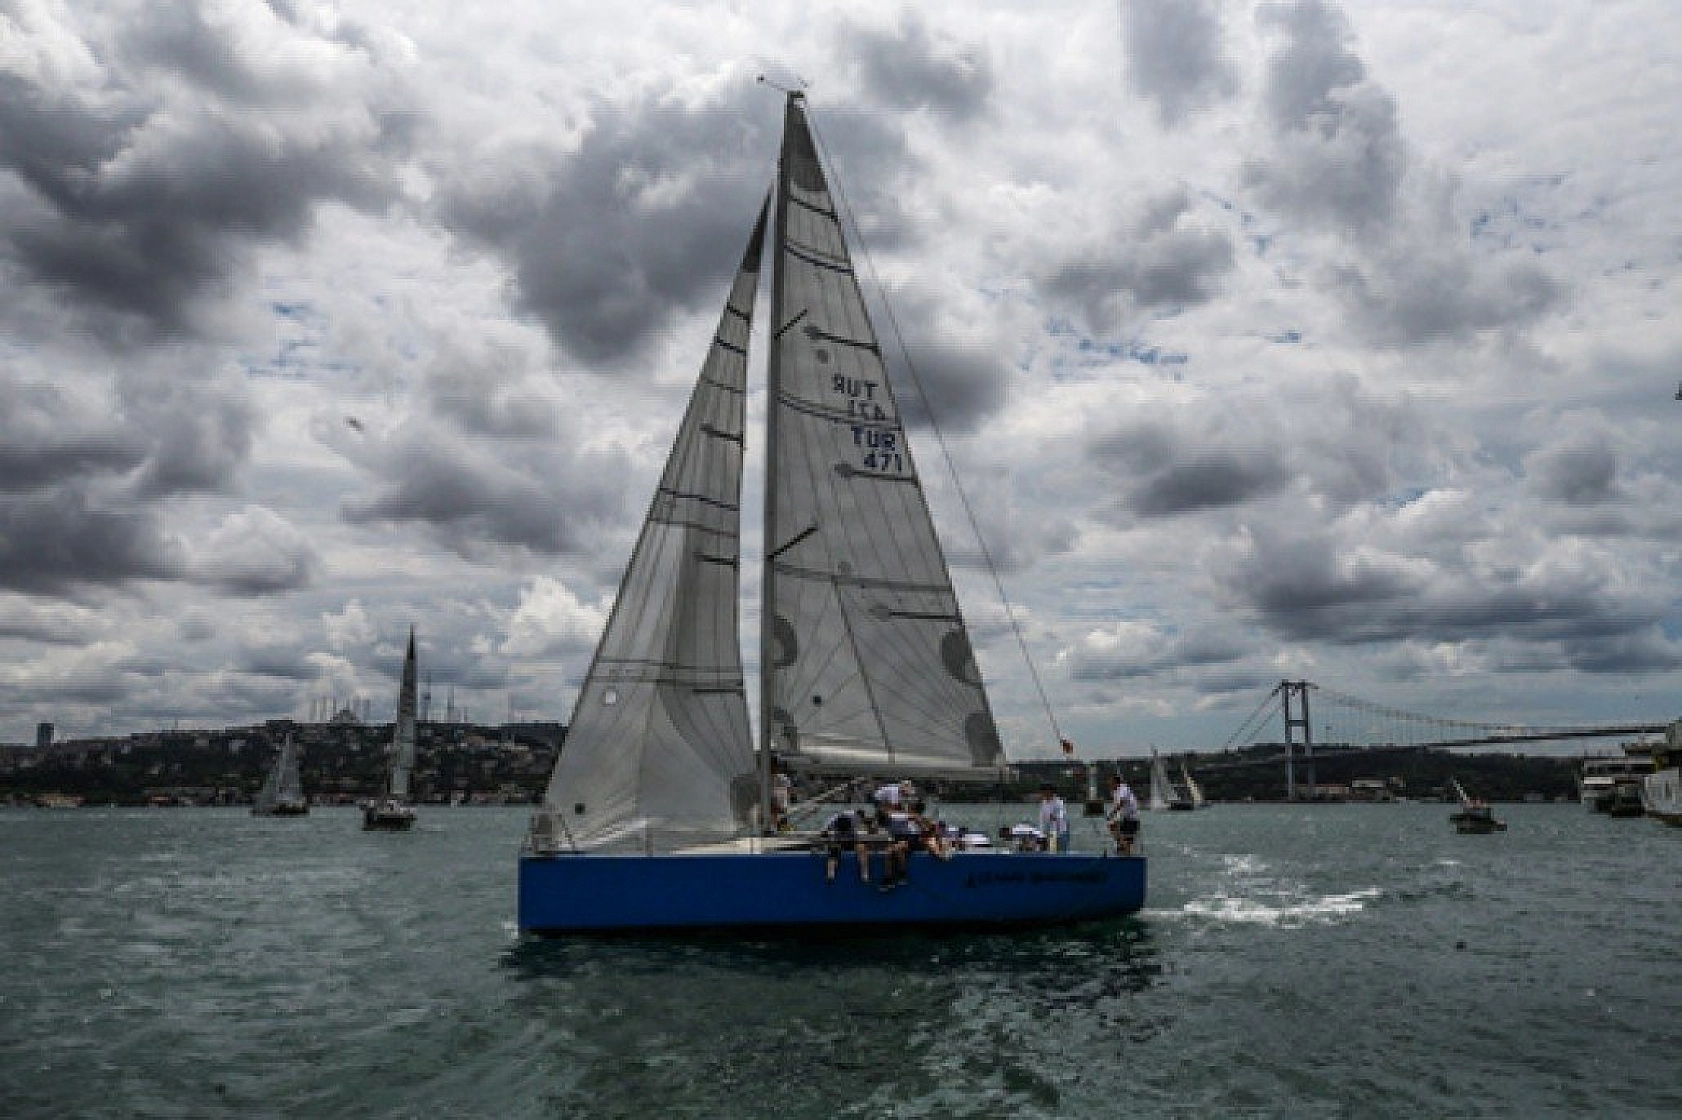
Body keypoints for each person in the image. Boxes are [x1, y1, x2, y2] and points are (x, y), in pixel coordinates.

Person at [820, 809, 869, 883]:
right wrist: (825, 835)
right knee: (834, 849)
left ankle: (864, 874)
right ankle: (830, 875)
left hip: (852, 837)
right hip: (838, 838)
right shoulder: (831, 822)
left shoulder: (855, 817)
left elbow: (865, 820)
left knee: (861, 848)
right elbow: (823, 834)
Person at [1106, 773, 1141, 855]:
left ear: (1115, 782)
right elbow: (1118, 806)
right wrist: (1113, 817)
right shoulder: (1115, 792)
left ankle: (1125, 851)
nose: (1109, 784)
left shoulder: (1123, 789)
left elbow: (1122, 802)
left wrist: (1112, 813)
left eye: (1110, 782)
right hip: (1124, 817)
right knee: (1112, 826)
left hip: (1131, 818)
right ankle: (1121, 846)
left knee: (1127, 839)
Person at [1037, 783, 1070, 853]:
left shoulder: (1059, 802)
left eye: (1044, 792)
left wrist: (1055, 817)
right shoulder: (1043, 803)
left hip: (1061, 832)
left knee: (1061, 852)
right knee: (1052, 851)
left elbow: (1062, 815)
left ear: (1049, 792)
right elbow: (1042, 820)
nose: (1043, 794)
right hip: (1049, 833)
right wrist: (1041, 833)